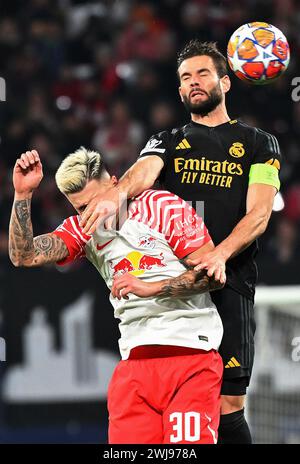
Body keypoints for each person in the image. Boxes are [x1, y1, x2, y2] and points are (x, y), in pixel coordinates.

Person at [78, 40, 282, 444]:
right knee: (177, 411)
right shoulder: (168, 140)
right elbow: (141, 173)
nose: (194, 82)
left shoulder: (259, 143)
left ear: (226, 81)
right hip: (176, 289)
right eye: (186, 77)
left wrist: (220, 255)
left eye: (203, 73)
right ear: (179, 91)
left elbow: (259, 214)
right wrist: (118, 194)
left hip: (231, 278)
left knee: (226, 406)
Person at [9, 147, 225, 444]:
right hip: (133, 366)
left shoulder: (162, 206)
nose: (89, 215)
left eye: (94, 203)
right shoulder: (83, 230)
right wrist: (23, 195)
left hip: (189, 356)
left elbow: (213, 276)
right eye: (80, 209)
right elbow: (24, 256)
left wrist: (151, 287)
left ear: (114, 183)